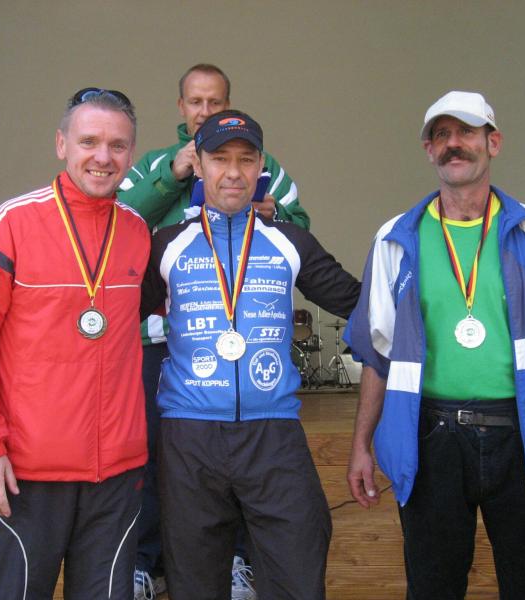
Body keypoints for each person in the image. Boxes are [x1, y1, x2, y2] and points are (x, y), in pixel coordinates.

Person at [345, 90, 525, 599]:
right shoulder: (395, 239)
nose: (454, 144)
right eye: (441, 134)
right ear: (428, 150)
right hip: (432, 439)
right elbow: (378, 356)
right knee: (432, 589)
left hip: (524, 436)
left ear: (494, 142)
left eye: (466, 131)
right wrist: (360, 445)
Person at [139, 109, 360, 600]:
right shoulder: (166, 245)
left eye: (245, 159)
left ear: (261, 165)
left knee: (298, 572)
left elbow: (359, 302)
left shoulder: (289, 241)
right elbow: (113, 315)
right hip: (189, 436)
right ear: (198, 165)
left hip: (273, 433)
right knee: (195, 583)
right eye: (220, 158)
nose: (233, 172)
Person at [0, 88, 150, 599]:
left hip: (116, 477)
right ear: (61, 144)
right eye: (89, 141)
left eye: (118, 145)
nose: (103, 157)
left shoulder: (137, 232)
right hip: (24, 474)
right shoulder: (14, 222)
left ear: (131, 155)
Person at [117, 63, 310, 600]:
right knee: (152, 453)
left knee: (245, 459)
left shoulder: (262, 163)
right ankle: (146, 561)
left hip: (239, 342)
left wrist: (270, 210)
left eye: (215, 101)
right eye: (196, 102)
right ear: (181, 108)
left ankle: (240, 562)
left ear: (228, 103)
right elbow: (118, 220)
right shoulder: (155, 164)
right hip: (156, 340)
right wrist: (172, 176)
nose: (205, 111)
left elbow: (301, 231)